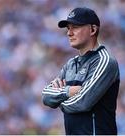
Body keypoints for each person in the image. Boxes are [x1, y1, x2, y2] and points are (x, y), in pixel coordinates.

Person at [42, 7, 120, 135]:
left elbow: (82, 103)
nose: (69, 33)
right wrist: (68, 92)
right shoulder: (71, 64)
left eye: (75, 27)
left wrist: (59, 100)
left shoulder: (105, 61)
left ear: (93, 30)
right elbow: (46, 96)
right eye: (68, 28)